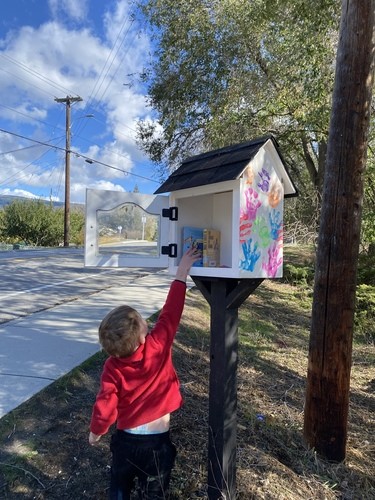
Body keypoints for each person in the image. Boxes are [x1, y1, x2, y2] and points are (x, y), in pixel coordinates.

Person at [89, 247, 201, 499]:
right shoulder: (158, 345)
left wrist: (96, 430)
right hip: (157, 445)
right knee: (155, 492)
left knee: (120, 487)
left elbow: (105, 403)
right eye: (142, 321)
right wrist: (183, 270)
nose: (147, 322)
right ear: (141, 336)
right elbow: (171, 311)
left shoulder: (112, 366)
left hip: (125, 442)